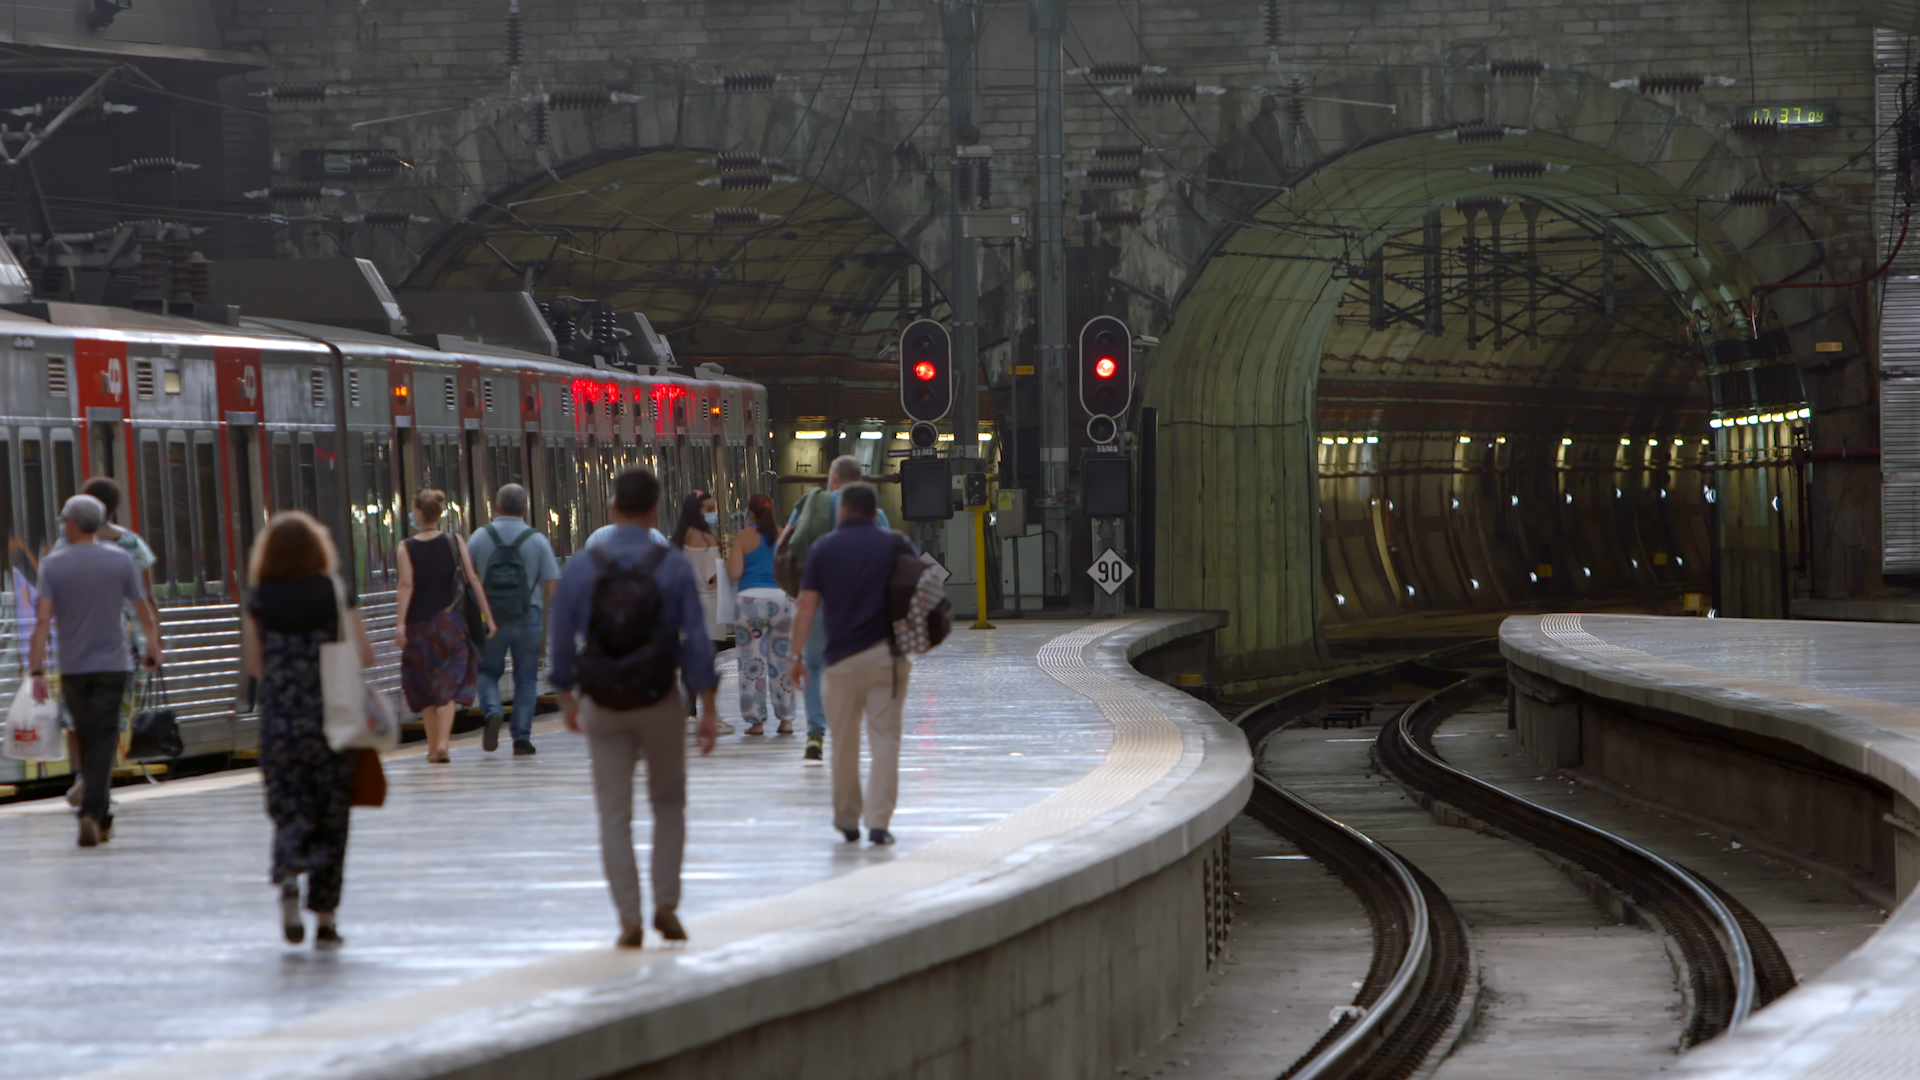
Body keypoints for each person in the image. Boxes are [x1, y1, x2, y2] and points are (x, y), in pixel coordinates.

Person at [549, 466, 721, 949]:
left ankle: (628, 916)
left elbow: (561, 638)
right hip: (659, 698)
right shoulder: (671, 565)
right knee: (668, 804)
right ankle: (665, 902)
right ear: (654, 510)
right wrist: (706, 705)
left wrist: (566, 696)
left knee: (613, 812)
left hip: (602, 701)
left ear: (611, 509)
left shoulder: (584, 565)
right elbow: (695, 641)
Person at [241, 512, 375, 949]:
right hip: (332, 722)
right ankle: (327, 920)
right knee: (331, 817)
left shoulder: (260, 597)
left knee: (289, 809)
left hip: (281, 722)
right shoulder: (334, 591)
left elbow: (254, 665)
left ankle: (288, 880)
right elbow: (365, 655)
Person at [27, 495, 161, 847]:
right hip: (114, 664)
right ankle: (95, 815)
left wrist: (37, 671)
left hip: (73, 667)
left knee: (86, 737)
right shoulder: (119, 560)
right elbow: (141, 609)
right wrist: (152, 647)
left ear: (72, 523)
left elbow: (42, 621)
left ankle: (95, 815)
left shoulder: (53, 565)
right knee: (103, 738)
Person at [787, 483, 911, 847]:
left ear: (842, 511)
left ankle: (846, 819)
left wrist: (795, 656)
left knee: (843, 742)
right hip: (887, 658)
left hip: (839, 662)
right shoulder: (895, 544)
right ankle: (878, 823)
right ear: (875, 513)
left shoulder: (824, 548)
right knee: (885, 738)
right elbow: (920, 589)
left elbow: (806, 604)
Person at [53, 477, 161, 811]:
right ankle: (98, 784)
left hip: (76, 645)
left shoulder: (64, 546)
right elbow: (147, 597)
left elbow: (53, 599)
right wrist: (154, 643)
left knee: (75, 719)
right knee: (110, 718)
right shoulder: (132, 545)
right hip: (123, 647)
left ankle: (84, 779)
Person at [779, 456, 890, 762]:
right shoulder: (877, 515)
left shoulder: (809, 505)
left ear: (835, 477)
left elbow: (784, 544)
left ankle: (815, 731)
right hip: (861, 608)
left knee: (815, 666)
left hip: (820, 602)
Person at [395, 488, 494, 763]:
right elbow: (472, 579)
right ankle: (442, 744)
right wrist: (488, 617)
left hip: (418, 626)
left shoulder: (406, 546)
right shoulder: (454, 540)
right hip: (450, 623)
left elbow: (405, 585)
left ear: (417, 512)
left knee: (424, 686)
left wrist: (400, 624)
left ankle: (431, 748)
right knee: (448, 684)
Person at [468, 484, 561, 756]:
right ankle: (521, 739)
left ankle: (493, 711)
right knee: (527, 680)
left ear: (495, 506)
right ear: (525, 508)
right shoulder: (537, 540)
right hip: (527, 617)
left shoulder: (479, 538)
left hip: (489, 619)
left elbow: (466, 579)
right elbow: (552, 585)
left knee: (486, 671)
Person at [726, 493, 796, 737]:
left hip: (749, 603)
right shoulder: (783, 535)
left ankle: (756, 722)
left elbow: (734, 573)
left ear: (750, 514)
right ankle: (786, 720)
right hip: (782, 601)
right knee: (783, 660)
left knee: (751, 664)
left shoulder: (743, 538)